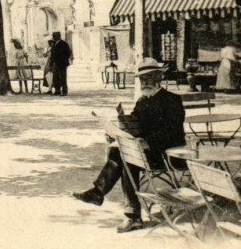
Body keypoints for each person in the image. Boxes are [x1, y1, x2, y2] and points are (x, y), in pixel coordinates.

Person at [72, 58, 186, 233]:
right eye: (141, 79)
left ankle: (128, 213)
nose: (144, 82)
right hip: (144, 153)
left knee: (129, 159)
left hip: (168, 154)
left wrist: (147, 141)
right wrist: (119, 131)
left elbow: (172, 132)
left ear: (158, 78)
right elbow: (135, 125)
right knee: (122, 152)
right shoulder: (142, 102)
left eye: (148, 78)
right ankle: (107, 199)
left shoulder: (172, 100)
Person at [50, 31, 72, 96]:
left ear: (58, 36)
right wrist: (52, 62)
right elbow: (52, 54)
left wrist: (63, 59)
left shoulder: (64, 44)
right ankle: (57, 90)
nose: (53, 38)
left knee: (62, 77)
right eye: (53, 36)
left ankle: (64, 91)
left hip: (62, 64)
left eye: (54, 36)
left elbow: (68, 53)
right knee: (56, 78)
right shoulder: (54, 44)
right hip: (55, 63)